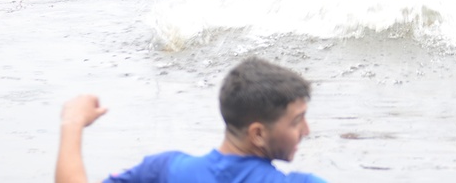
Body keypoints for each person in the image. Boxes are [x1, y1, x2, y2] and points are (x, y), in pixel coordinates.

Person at [55, 57, 327, 183]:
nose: (306, 130)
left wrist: (73, 122)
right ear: (257, 134)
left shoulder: (163, 171)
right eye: (296, 121)